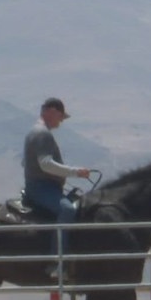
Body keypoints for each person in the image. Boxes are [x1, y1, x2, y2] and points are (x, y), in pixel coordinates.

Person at [21, 97, 94, 278]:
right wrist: (76, 172)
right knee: (67, 209)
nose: (60, 122)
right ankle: (57, 261)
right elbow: (46, 164)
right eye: (60, 117)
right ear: (52, 111)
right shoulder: (42, 134)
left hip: (42, 185)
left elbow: (26, 162)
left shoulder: (35, 132)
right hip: (41, 188)